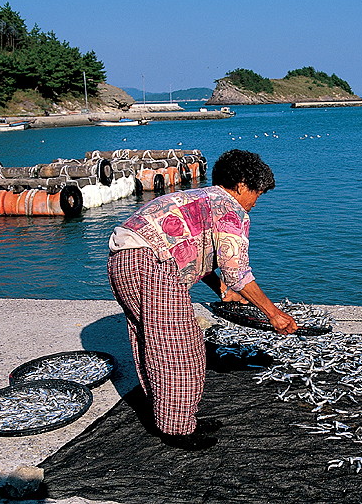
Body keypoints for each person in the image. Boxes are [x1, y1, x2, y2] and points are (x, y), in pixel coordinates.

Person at [107, 149, 298, 450]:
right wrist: (273, 313)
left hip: (125, 261)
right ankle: (177, 430)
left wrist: (222, 290)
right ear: (241, 185)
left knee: (155, 343)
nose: (256, 202)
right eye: (257, 193)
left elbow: (192, 252)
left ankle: (175, 417)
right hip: (149, 264)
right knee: (182, 349)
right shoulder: (230, 208)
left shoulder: (201, 198)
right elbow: (238, 270)